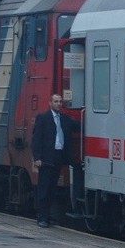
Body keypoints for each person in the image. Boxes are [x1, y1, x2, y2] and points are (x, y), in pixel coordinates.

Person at [32, 94, 77, 228]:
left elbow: (77, 126)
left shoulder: (65, 119)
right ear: (50, 103)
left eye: (60, 102)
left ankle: (48, 215)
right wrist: (37, 158)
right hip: (46, 158)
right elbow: (37, 139)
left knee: (52, 188)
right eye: (56, 101)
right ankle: (41, 217)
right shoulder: (43, 118)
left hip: (58, 157)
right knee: (44, 188)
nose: (58, 104)